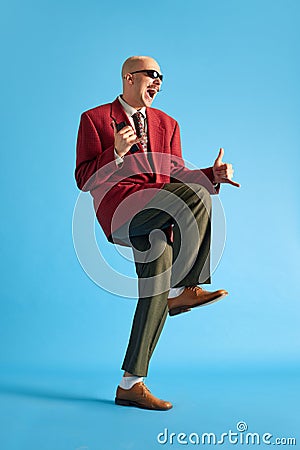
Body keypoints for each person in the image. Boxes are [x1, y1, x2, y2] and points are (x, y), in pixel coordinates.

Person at [75, 55, 240, 411]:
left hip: (158, 215)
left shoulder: (169, 123)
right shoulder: (95, 119)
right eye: (152, 75)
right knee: (195, 202)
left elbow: (176, 175)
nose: (158, 82)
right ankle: (185, 287)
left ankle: (130, 384)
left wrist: (212, 175)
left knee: (156, 285)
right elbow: (83, 179)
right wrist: (115, 152)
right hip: (122, 211)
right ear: (129, 78)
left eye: (162, 77)